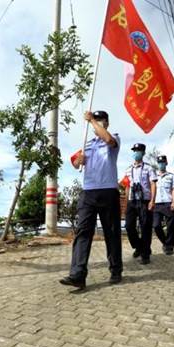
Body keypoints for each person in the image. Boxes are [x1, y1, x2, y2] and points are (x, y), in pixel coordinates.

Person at [60, 110, 122, 289]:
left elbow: (108, 140)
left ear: (107, 123)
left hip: (108, 191)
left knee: (111, 233)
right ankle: (78, 274)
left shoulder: (114, 137)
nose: (99, 122)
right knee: (83, 232)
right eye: (97, 119)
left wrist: (92, 121)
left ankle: (116, 269)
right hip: (88, 192)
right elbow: (75, 161)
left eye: (102, 120)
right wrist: (78, 161)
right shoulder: (87, 142)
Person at [125, 143, 157, 264]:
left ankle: (145, 255)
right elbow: (127, 185)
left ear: (143, 153)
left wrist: (152, 200)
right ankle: (139, 246)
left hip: (145, 201)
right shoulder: (128, 169)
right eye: (134, 150)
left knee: (145, 228)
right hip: (132, 201)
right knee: (129, 226)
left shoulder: (149, 168)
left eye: (138, 150)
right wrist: (127, 200)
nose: (136, 152)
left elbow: (153, 184)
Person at [153, 155, 174, 255]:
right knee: (156, 225)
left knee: (170, 226)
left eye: (163, 162)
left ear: (166, 163)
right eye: (159, 162)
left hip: (168, 203)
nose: (161, 164)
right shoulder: (154, 176)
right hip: (157, 204)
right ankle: (165, 243)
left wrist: (173, 202)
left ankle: (169, 246)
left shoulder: (171, 176)